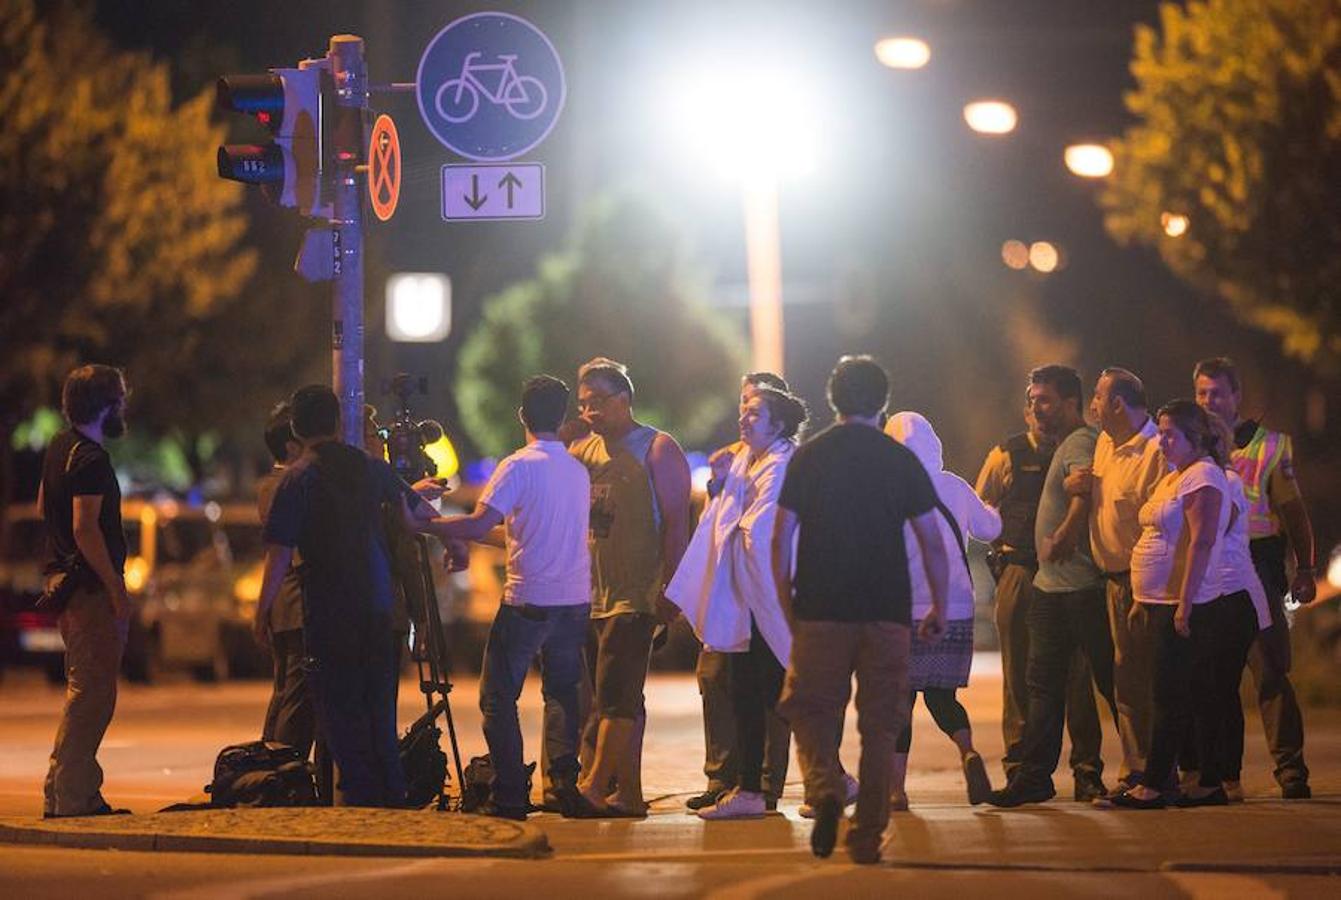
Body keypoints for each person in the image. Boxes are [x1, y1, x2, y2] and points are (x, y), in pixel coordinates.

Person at [773, 355, 950, 865]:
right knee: (880, 726)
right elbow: (932, 540)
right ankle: (867, 835)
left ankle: (825, 787)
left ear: (833, 400)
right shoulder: (899, 460)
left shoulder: (809, 457)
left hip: (821, 609)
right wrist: (937, 602)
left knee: (808, 707)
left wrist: (787, 604)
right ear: (883, 401)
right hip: (887, 612)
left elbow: (781, 535)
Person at [419, 376, 592, 820]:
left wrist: (427, 525)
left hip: (528, 599)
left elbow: (478, 525)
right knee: (561, 694)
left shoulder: (518, 466)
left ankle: (511, 794)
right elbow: (518, 535)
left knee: (498, 698)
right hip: (573, 601)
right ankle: (563, 786)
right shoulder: (575, 470)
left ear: (522, 415)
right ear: (564, 416)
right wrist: (457, 533)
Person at [255, 385, 435, 807]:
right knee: (378, 707)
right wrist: (459, 543)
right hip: (376, 604)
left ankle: (360, 797)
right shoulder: (370, 467)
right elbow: (413, 516)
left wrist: (260, 612)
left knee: (340, 708)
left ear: (297, 430)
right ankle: (391, 794)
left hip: (329, 609)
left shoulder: (297, 478)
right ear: (338, 422)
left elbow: (279, 556)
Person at [667, 385, 809, 819]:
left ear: (778, 424)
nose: (743, 419)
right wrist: (722, 483)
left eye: (753, 413)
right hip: (746, 597)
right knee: (748, 691)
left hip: (767, 596)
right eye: (742, 411)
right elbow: (725, 518)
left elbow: (759, 531)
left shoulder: (781, 465)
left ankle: (826, 777)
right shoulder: (749, 460)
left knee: (778, 693)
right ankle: (749, 788)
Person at [988, 365, 1120, 808]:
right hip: (1028, 576)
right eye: (1031, 400)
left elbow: (1089, 496)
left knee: (1087, 681)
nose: (1034, 408)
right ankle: (1026, 770)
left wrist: (1065, 531)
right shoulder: (1008, 453)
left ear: (1069, 402)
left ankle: (1095, 771)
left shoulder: (1086, 446)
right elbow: (980, 506)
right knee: (1030, 682)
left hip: (1078, 582)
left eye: (1043, 399)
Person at [569, 358, 692, 816]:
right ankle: (630, 794)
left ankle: (596, 785)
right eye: (583, 404)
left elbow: (678, 524)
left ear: (624, 400)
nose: (589, 412)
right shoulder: (582, 451)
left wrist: (670, 588)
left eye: (598, 402)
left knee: (616, 698)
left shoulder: (657, 448)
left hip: (635, 594)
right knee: (618, 698)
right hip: (591, 595)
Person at [1194, 357, 1314, 799]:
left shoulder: (1268, 446)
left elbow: (1294, 513)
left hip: (1257, 567)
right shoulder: (1188, 443)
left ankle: (1290, 770)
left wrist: (1305, 568)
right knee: (1215, 679)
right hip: (1207, 571)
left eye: (1218, 393)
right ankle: (1225, 776)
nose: (1210, 402)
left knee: (1269, 670)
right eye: (1202, 393)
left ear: (1236, 396)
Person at [1110, 400, 1231, 809]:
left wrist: (1184, 602)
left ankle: (1157, 784)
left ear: (1194, 438)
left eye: (1170, 434)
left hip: (1185, 603)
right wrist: (1142, 599)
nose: (1161, 441)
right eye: (1159, 432)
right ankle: (1206, 782)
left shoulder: (1204, 477)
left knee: (1169, 695)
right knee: (1185, 694)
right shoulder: (1174, 475)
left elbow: (1202, 541)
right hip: (1157, 601)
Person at [886, 411, 1001, 808]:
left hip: (905, 608)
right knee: (941, 696)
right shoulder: (954, 485)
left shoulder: (890, 490)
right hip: (955, 607)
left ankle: (896, 790)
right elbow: (991, 530)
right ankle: (967, 751)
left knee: (900, 702)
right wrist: (988, 504)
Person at [1065, 367, 1166, 791]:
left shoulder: (1156, 451)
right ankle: (1136, 764)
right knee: (1126, 678)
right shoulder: (1106, 442)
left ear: (1118, 404)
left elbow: (1164, 525)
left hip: (1147, 581)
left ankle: (1164, 768)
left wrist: (1148, 590)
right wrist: (1075, 484)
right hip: (1112, 580)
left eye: (1098, 398)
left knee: (1154, 677)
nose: (1092, 406)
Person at [41, 365, 132, 818]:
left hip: (67, 585)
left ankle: (63, 791)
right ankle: (74, 796)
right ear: (105, 405)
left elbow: (45, 503)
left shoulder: (60, 448)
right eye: (120, 397)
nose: (124, 405)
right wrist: (116, 588)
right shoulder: (92, 458)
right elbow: (85, 527)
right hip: (90, 591)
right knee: (93, 695)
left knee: (84, 690)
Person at [256, 401, 315, 760]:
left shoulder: (270, 485)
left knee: (285, 693)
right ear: (292, 446)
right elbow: (286, 552)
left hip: (283, 604)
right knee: (296, 697)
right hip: (296, 603)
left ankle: (268, 767)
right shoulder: (287, 486)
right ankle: (279, 771)